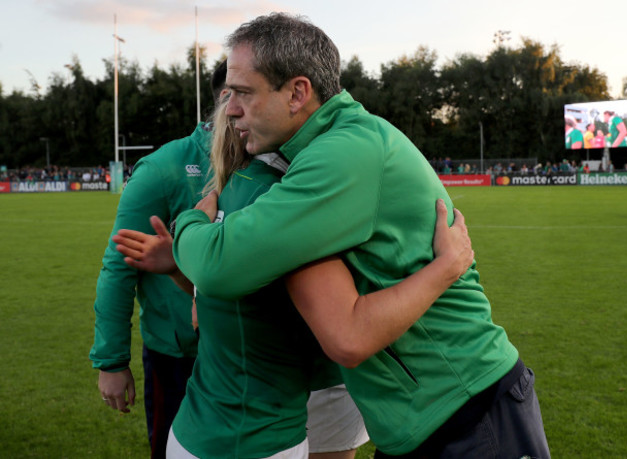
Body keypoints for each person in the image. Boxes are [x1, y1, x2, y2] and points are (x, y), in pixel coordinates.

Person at [150, 12, 549, 458]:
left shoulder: (342, 153)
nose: (232, 109)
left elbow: (220, 267)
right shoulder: (321, 149)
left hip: (469, 409)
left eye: (243, 93)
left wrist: (189, 222)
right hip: (424, 419)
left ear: (298, 92)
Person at [114, 94, 475, 458]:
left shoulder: (220, 200)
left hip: (203, 423)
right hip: (265, 430)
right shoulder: (282, 198)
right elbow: (347, 336)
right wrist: (445, 268)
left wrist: (183, 253)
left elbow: (202, 314)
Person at [88, 62, 229, 457]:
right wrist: (112, 361)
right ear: (226, 99)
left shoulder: (273, 164)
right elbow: (120, 264)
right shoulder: (164, 168)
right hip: (178, 359)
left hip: (255, 354)